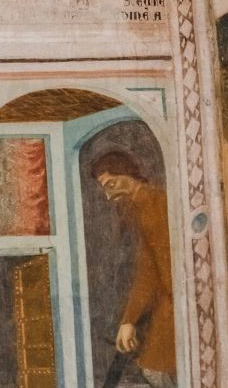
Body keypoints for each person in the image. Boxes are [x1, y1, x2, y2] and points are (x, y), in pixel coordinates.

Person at [92, 152, 176, 388]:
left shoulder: (155, 201)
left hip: (177, 301)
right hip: (165, 302)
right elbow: (147, 267)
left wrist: (130, 320)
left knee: (154, 368)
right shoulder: (138, 206)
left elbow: (153, 268)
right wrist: (129, 320)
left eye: (112, 184)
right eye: (105, 189)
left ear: (127, 173)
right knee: (152, 369)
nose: (109, 195)